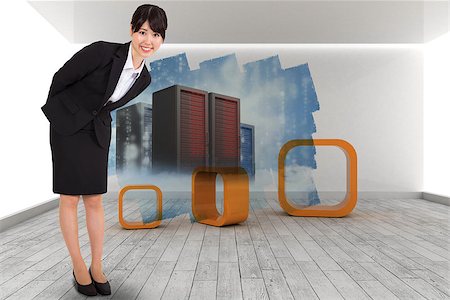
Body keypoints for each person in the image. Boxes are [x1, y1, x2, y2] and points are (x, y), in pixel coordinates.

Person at [41, 4, 167, 296]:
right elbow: (61, 78)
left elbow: (108, 102)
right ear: (132, 31)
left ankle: (97, 266)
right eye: (143, 31)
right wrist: (63, 117)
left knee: (95, 199)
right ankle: (78, 265)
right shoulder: (102, 51)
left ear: (162, 40)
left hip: (97, 131)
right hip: (68, 128)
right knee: (70, 198)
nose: (148, 40)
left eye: (156, 34)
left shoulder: (144, 78)